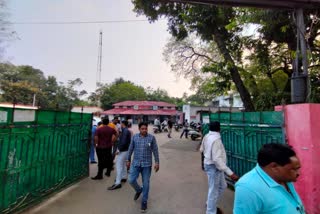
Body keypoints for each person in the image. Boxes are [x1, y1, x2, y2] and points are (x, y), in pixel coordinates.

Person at [233, 143, 305, 214]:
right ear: (274, 167)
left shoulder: (284, 177)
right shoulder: (248, 188)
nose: (298, 173)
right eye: (294, 169)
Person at [200, 121, 239, 214]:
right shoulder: (216, 140)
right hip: (213, 167)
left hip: (213, 166)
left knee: (223, 186)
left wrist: (208, 155)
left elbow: (202, 149)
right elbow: (217, 159)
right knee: (213, 190)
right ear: (219, 129)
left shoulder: (207, 136)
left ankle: (210, 203)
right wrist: (230, 173)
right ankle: (210, 211)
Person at [127, 122, 160, 213]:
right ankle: (138, 190)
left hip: (147, 165)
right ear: (139, 129)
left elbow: (155, 150)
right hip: (136, 163)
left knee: (146, 183)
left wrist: (157, 162)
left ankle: (144, 201)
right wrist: (128, 160)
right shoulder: (135, 137)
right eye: (142, 129)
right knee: (131, 179)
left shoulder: (151, 138)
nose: (144, 130)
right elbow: (130, 149)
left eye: (146, 128)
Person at [108, 120, 132, 190]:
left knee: (118, 165)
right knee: (123, 164)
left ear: (122, 124)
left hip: (123, 150)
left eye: (121, 123)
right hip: (126, 150)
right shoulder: (126, 130)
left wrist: (118, 150)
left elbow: (123, 141)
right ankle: (124, 177)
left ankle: (118, 183)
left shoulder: (125, 131)